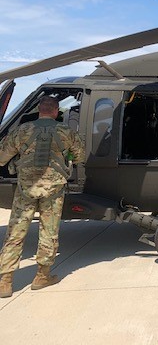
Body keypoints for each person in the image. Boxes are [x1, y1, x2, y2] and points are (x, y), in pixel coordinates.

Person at [0, 96, 85, 298]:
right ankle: (42, 276)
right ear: (56, 111)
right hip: (53, 189)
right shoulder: (66, 132)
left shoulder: (21, 131)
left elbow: (2, 158)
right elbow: (80, 156)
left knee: (16, 232)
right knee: (49, 231)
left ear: (39, 109)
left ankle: (5, 281)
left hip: (26, 189)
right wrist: (67, 155)